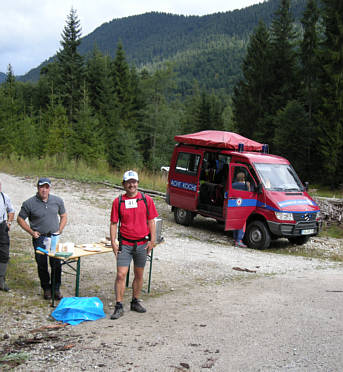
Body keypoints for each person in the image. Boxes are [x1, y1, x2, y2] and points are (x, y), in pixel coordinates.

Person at [110, 170, 158, 320]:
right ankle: (118, 305)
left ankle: (135, 301)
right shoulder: (118, 202)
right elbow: (113, 223)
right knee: (120, 274)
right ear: (123, 184)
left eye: (134, 181)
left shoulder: (146, 200)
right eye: (129, 182)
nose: (132, 184)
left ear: (138, 183)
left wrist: (153, 240)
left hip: (142, 244)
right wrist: (113, 242)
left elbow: (151, 221)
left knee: (139, 274)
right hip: (125, 244)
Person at [17, 178, 67, 300]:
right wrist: (31, 232)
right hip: (40, 238)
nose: (44, 190)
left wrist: (60, 229)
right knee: (42, 264)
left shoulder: (57, 201)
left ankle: (56, 289)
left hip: (54, 237)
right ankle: (46, 289)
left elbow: (64, 216)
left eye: (46, 187)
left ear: (50, 188)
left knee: (56, 264)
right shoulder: (29, 203)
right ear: (38, 188)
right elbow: (20, 219)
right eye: (41, 187)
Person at [0, 181, 15, 291]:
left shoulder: (4, 197)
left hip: (2, 226)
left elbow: (11, 210)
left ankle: (1, 281)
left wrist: (9, 222)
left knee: (4, 254)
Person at [231, 172, 249, 248]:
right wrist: (248, 186)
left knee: (235, 223)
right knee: (241, 224)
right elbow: (248, 193)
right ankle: (239, 240)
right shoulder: (245, 185)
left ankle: (235, 239)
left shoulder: (233, 185)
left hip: (234, 205)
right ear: (243, 178)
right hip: (242, 206)